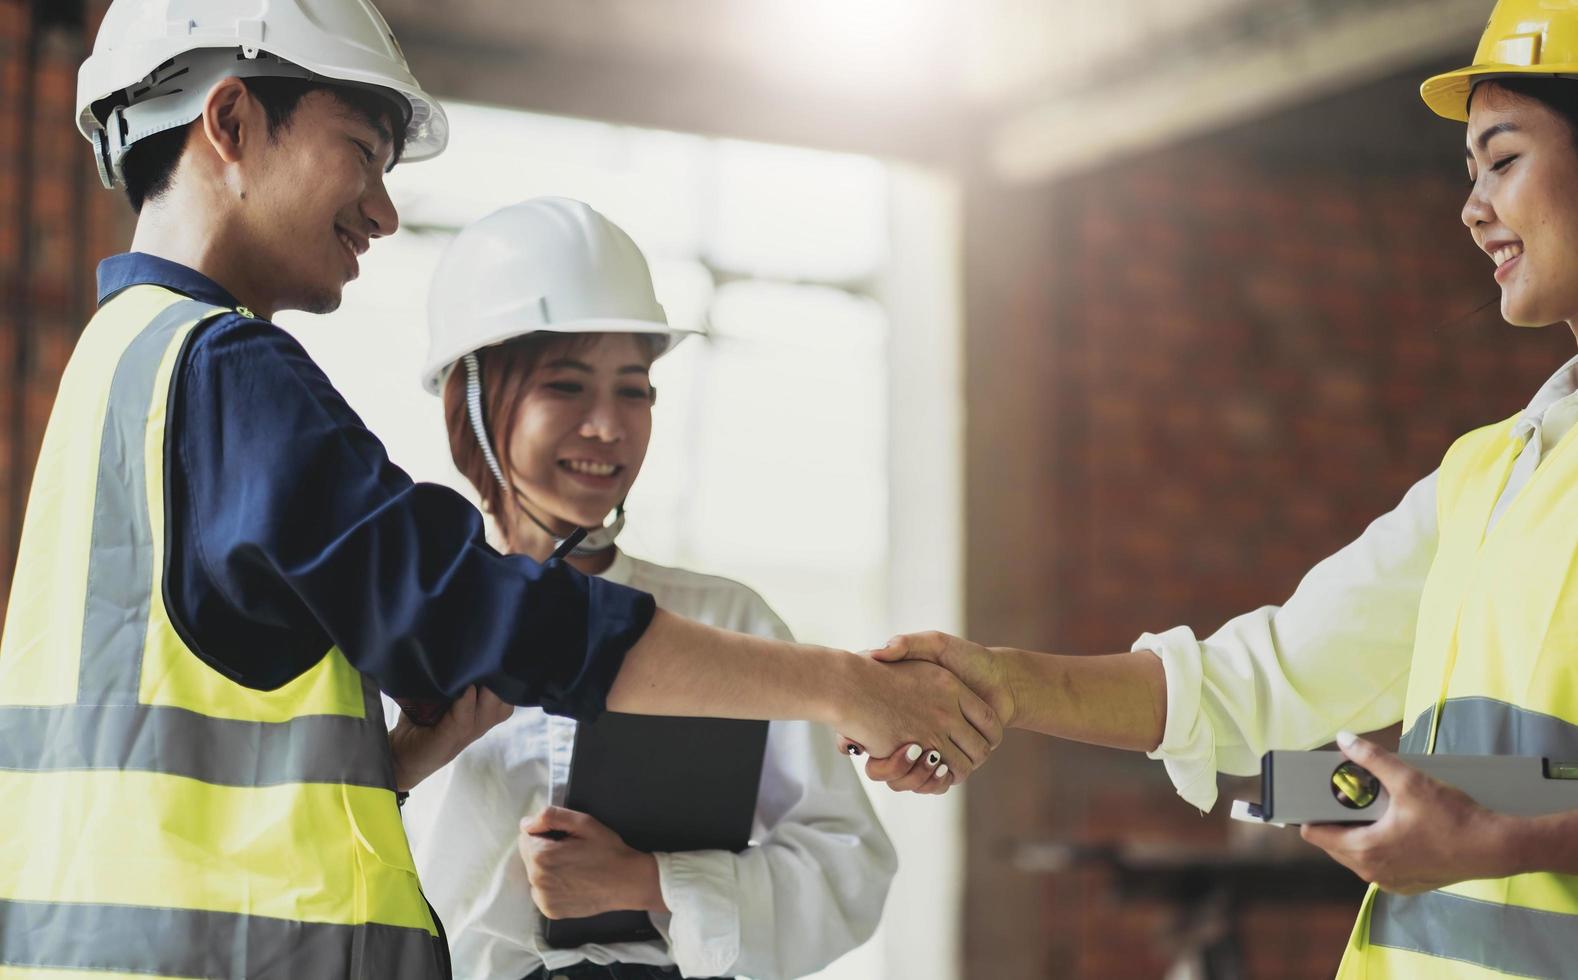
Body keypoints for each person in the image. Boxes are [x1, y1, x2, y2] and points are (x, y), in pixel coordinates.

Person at [0, 2, 997, 977]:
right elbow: (470, 609)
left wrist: (403, 767)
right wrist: (843, 685)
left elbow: (193, 789)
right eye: (361, 149)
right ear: (230, 122)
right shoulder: (225, 370)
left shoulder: (119, 367)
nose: (385, 211)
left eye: (633, 387)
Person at [858, 0, 1578, 975]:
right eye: (1468, 173)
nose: (1472, 206)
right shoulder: (1487, 473)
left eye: (1502, 160)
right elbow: (1261, 677)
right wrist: (995, 682)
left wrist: (1499, 845)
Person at [398, 196, 898, 980]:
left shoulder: (721, 622)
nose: (609, 426)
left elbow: (851, 868)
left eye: (635, 390)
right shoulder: (402, 618)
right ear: (473, 397)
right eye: (566, 386)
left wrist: (654, 880)